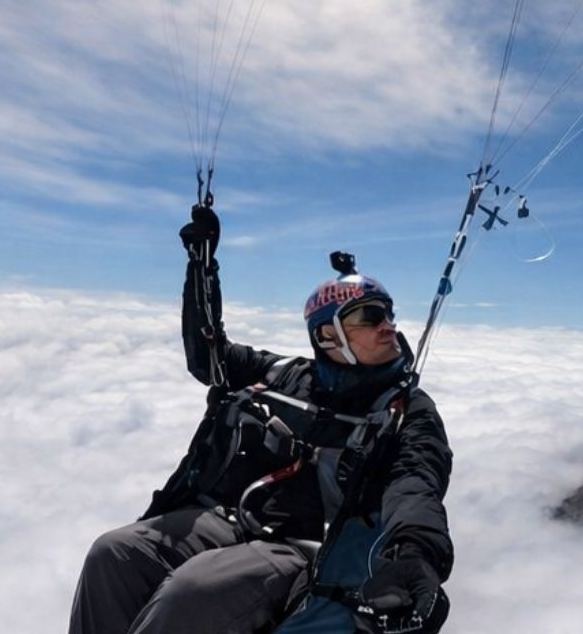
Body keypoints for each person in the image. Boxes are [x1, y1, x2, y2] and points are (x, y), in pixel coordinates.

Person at [69, 205, 453, 634]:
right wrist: (201, 268)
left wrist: (413, 553)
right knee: (114, 553)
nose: (388, 326)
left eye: (388, 312)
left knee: (193, 593)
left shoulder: (406, 408)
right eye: (370, 316)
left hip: (308, 545)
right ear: (328, 336)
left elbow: (417, 481)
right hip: (234, 520)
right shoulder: (285, 374)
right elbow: (208, 357)